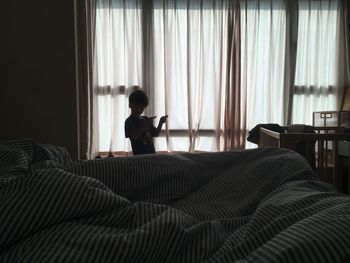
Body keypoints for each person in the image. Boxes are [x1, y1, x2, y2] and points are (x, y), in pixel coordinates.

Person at [125, 89, 168, 155]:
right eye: (136, 106)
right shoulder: (129, 121)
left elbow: (156, 134)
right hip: (139, 157)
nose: (139, 109)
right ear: (130, 105)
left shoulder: (145, 119)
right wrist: (145, 126)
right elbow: (134, 136)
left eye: (142, 107)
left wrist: (161, 123)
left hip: (152, 154)